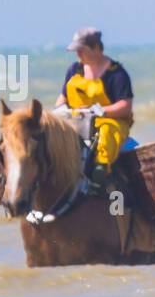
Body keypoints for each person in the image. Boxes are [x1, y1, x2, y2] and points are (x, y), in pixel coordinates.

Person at [56, 27, 134, 189]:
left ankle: (101, 172)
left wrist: (100, 110)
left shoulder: (116, 74)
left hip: (110, 123)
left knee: (105, 133)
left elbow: (125, 106)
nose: (78, 55)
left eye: (82, 50)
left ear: (96, 48)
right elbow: (62, 98)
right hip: (77, 122)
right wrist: (62, 109)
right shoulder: (73, 70)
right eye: (76, 51)